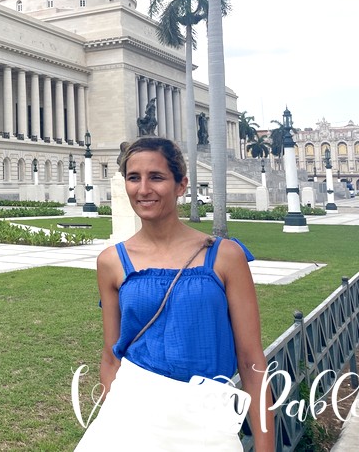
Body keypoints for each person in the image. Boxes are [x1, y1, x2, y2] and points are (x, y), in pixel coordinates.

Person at [76, 136, 274, 451]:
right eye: (133, 178)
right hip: (129, 418)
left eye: (156, 177)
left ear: (181, 185)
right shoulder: (111, 262)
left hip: (207, 422)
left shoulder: (225, 256)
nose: (143, 189)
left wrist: (266, 447)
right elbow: (111, 356)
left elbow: (251, 360)